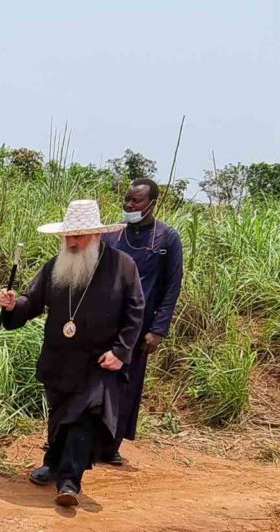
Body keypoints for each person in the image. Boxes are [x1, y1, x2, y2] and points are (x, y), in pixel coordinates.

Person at [0, 200, 145, 507]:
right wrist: (13, 306)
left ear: (96, 235)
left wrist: (120, 351)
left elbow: (135, 313)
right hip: (59, 359)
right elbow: (32, 301)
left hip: (98, 361)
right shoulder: (55, 266)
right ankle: (53, 463)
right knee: (60, 415)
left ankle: (70, 481)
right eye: (69, 236)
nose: (73, 242)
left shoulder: (122, 267)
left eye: (80, 236)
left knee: (83, 418)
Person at [98, 178, 184, 465]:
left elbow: (172, 287)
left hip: (139, 328)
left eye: (136, 201)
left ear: (152, 204)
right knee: (96, 381)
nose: (129, 205)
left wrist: (158, 330)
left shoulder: (167, 238)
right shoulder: (112, 235)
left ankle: (111, 447)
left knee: (127, 386)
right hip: (105, 323)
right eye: (127, 199)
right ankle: (85, 441)